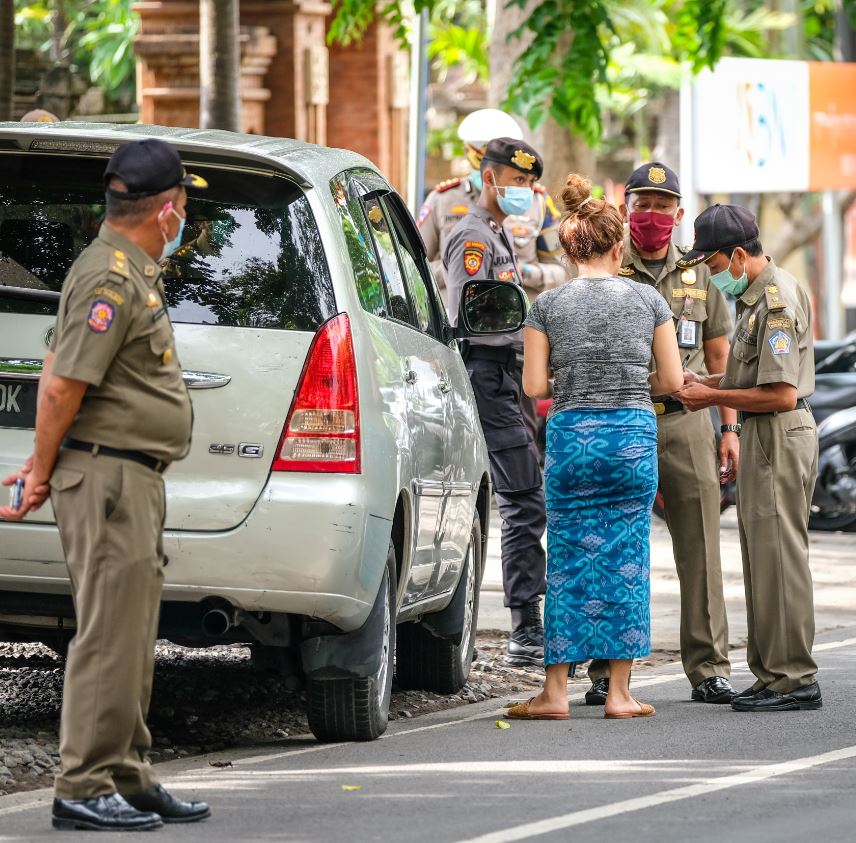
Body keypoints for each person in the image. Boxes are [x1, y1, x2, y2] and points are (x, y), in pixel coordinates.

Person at [0, 138, 212, 830]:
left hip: (130, 474)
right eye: (184, 203)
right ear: (167, 208)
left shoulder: (126, 269)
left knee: (130, 628)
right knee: (106, 633)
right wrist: (38, 468)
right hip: (108, 472)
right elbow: (60, 383)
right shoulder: (111, 276)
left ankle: (126, 771)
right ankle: (82, 782)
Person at [507, 173, 683, 721]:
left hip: (573, 438)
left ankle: (555, 693)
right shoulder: (648, 299)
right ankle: (620, 695)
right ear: (619, 245)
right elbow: (673, 380)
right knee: (627, 556)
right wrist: (628, 383)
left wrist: (579, 382)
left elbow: (535, 387)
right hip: (631, 436)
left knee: (567, 559)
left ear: (569, 247)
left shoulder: (547, 307)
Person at [584, 162, 738, 707]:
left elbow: (719, 355)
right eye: (642, 203)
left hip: (687, 421)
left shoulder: (699, 275)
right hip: (622, 419)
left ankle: (709, 668)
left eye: (662, 204)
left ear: (678, 212)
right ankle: (605, 670)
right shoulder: (606, 267)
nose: (651, 214)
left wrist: (728, 429)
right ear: (626, 207)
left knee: (699, 546)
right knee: (614, 545)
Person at [675, 204, 821, 713]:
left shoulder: (776, 301)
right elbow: (749, 377)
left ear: (737, 256)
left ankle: (795, 676)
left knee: (780, 558)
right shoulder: (755, 301)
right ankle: (769, 673)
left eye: (712, 265)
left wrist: (711, 401)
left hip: (780, 432)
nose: (711, 276)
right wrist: (708, 383)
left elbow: (780, 393)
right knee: (761, 557)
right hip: (763, 434)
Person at [442, 137, 548, 667]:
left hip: (511, 377)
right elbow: (473, 314)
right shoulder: (472, 237)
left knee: (522, 496)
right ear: (489, 179)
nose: (524, 192)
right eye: (517, 182)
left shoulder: (500, 234)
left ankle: (525, 620)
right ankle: (525, 628)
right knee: (523, 497)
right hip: (487, 376)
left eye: (528, 184)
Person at [417, 108, 567, 300]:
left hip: (518, 320)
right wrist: (461, 267)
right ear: (468, 152)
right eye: (482, 157)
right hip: (457, 321)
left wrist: (521, 271)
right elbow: (414, 269)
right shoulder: (442, 200)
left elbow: (562, 272)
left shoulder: (536, 202)